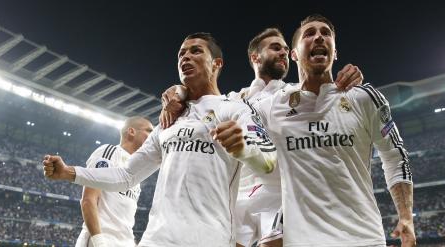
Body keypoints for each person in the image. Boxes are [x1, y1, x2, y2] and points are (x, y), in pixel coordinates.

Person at [43, 32, 276, 247]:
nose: (186, 57)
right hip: (156, 239)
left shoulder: (236, 109)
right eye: (181, 54)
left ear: (217, 63)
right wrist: (69, 172)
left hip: (209, 238)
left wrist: (244, 149)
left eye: (196, 51)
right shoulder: (168, 121)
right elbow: (126, 175)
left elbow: (268, 161)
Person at [158, 28, 363, 247]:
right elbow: (203, 99)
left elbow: (327, 94)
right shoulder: (234, 100)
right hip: (240, 196)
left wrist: (350, 79)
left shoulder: (295, 94)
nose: (283, 53)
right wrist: (178, 91)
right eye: (275, 48)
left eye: (286, 49)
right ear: (255, 57)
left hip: (281, 194)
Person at [254, 14, 416, 247]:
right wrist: (181, 93)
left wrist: (406, 218)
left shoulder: (364, 98)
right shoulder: (273, 105)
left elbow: (395, 157)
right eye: (309, 34)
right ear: (294, 54)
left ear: (335, 52)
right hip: (302, 242)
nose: (319, 36)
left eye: (325, 33)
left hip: (363, 239)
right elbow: (227, 111)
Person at [75, 116, 153, 247]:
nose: (152, 136)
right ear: (132, 131)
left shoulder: (136, 170)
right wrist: (99, 242)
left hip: (125, 242)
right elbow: (88, 200)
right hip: (103, 239)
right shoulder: (110, 152)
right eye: (149, 131)